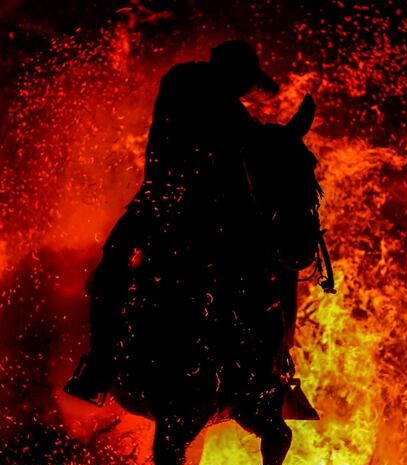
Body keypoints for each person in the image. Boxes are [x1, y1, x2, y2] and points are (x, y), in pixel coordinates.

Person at [66, 40, 316, 420]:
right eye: (244, 82)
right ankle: (100, 365)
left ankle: (276, 369)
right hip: (163, 200)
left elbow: (251, 144)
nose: (244, 90)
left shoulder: (228, 107)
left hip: (217, 208)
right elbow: (243, 137)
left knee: (278, 265)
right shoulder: (187, 84)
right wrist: (279, 135)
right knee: (113, 267)